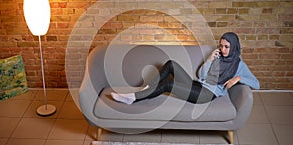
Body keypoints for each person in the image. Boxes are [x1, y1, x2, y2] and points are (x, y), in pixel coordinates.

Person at [111, 32, 260, 105]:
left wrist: (238, 78)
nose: (223, 49)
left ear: (233, 46)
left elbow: (257, 84)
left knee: (168, 84)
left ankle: (133, 98)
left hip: (206, 94)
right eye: (221, 45)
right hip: (199, 85)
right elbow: (201, 75)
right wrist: (209, 59)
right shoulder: (218, 57)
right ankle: (147, 89)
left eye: (226, 47)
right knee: (171, 64)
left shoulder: (239, 65)